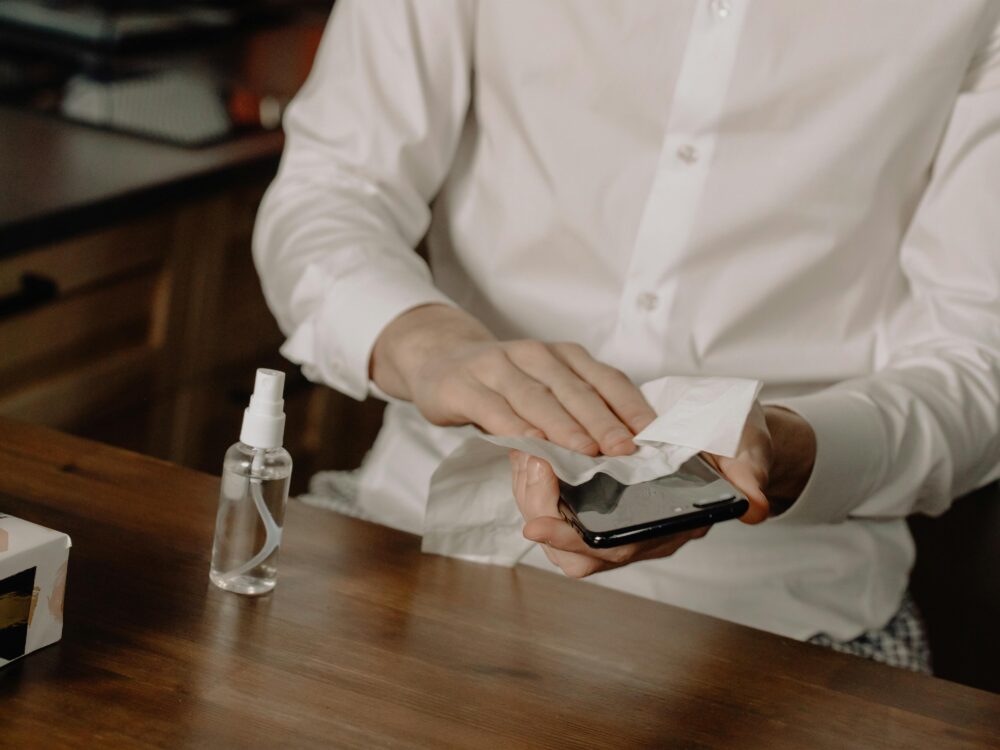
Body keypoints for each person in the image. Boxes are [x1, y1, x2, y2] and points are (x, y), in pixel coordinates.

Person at [253, 0, 1000, 672]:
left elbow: (978, 360)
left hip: (788, 614)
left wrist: (792, 444)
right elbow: (332, 186)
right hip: (407, 527)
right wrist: (427, 344)